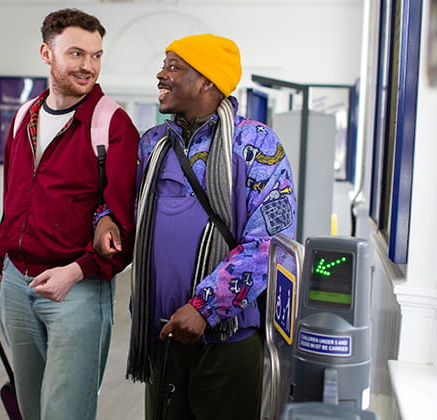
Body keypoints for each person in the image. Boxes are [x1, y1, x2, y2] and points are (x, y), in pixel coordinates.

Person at [97, 34, 296, 419]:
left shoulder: (254, 145)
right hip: (163, 334)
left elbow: (270, 244)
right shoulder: (152, 144)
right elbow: (119, 204)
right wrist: (103, 218)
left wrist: (205, 307)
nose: (161, 74)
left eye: (173, 66)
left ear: (206, 80)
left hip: (228, 338)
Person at [0, 8, 139, 420]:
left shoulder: (113, 125)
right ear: (47, 53)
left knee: (65, 411)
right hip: (15, 283)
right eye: (77, 54)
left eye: (97, 55)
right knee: (30, 407)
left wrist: (77, 271)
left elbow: (126, 226)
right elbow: (14, 201)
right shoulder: (23, 118)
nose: (89, 66)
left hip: (78, 289)